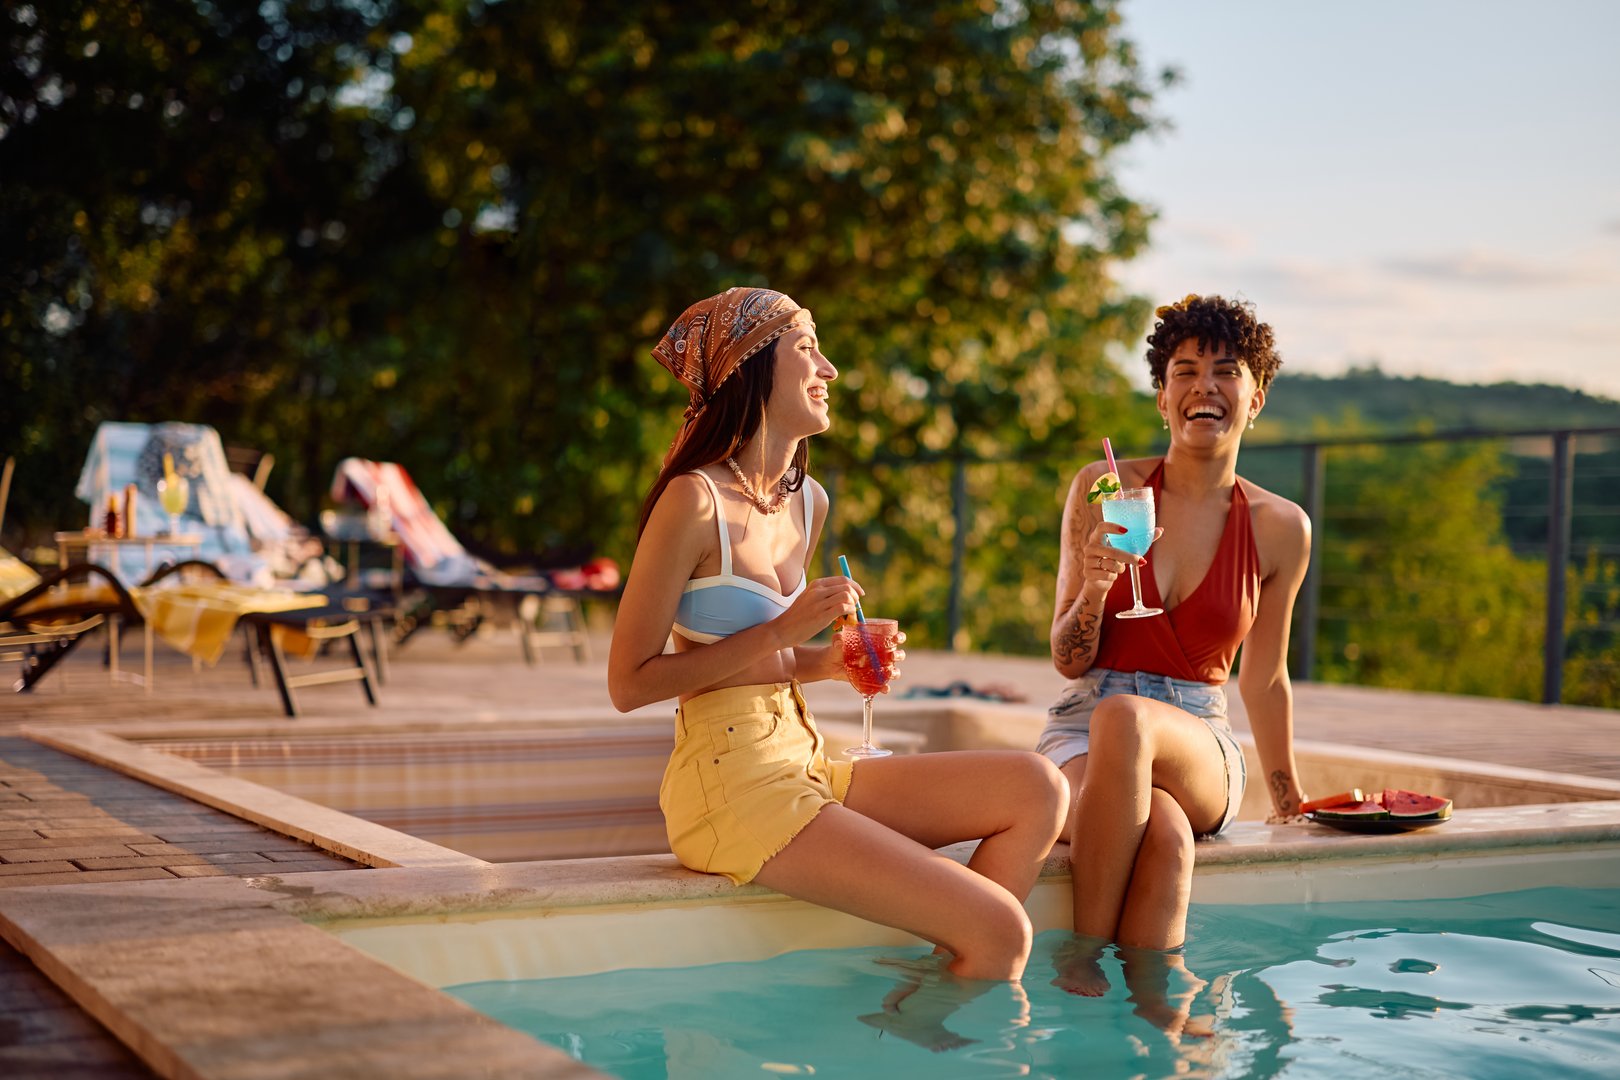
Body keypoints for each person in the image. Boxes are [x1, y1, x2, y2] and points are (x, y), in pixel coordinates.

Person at [608, 286, 1069, 983]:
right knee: (1001, 930)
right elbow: (629, 683)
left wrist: (826, 663)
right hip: (729, 782)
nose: (829, 371)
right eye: (807, 349)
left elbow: (772, 657)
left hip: (804, 760)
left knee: (1037, 786)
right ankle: (964, 962)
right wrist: (785, 633)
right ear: (753, 366)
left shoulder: (807, 501)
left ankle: (937, 983)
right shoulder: (692, 500)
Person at [1043, 293, 1311, 964]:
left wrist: (1287, 796)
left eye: (1227, 370)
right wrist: (1098, 587)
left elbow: (1267, 676)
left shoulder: (1281, 528)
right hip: (1082, 725)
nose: (1204, 385)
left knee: (1128, 721)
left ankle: (1081, 958)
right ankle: (1160, 1028)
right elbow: (1068, 660)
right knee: (1161, 831)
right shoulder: (1104, 489)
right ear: (1163, 398)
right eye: (1185, 370)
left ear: (1255, 398)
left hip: (1198, 738)